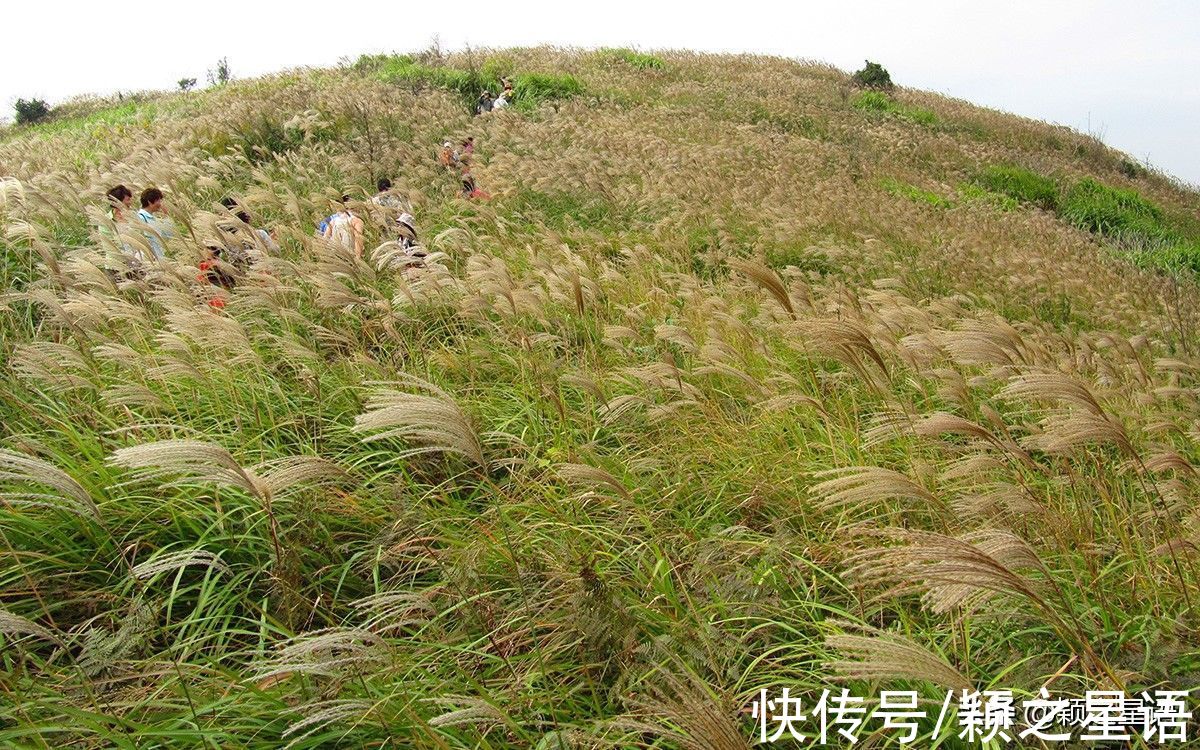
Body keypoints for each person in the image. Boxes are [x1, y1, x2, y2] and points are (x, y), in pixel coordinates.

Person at [135, 187, 178, 260]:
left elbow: (170, 235)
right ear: (150, 202)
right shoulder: (140, 217)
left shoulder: (153, 218)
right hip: (149, 258)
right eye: (158, 201)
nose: (160, 204)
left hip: (158, 257)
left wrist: (166, 216)